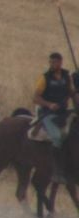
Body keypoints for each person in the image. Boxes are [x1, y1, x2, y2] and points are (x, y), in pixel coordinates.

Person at [33, 51, 74, 185]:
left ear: (60, 62)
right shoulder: (44, 78)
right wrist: (49, 104)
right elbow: (35, 98)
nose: (52, 64)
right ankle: (56, 171)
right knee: (57, 137)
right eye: (50, 62)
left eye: (55, 62)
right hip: (48, 114)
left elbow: (71, 93)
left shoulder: (66, 76)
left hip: (64, 112)